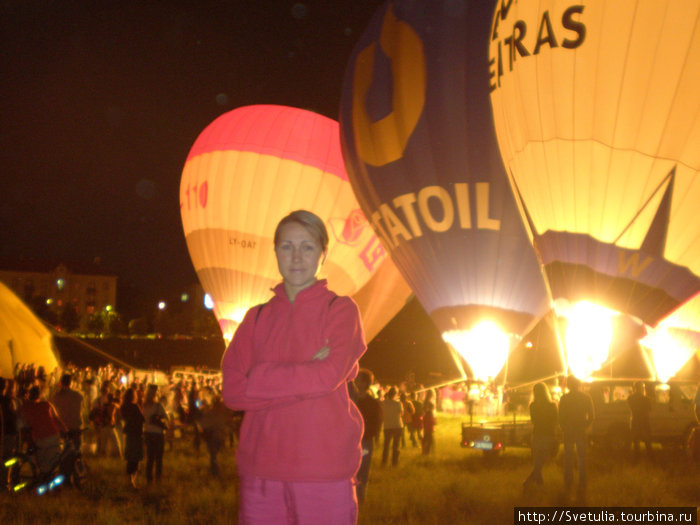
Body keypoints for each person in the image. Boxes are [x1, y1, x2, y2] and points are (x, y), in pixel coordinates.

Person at [222, 210, 366, 524]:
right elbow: (232, 392)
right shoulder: (255, 317)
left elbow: (328, 375)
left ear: (323, 253)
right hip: (259, 474)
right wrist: (308, 376)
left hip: (324, 473)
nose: (296, 256)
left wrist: (258, 378)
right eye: (287, 246)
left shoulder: (341, 310)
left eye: (307, 246)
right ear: (274, 252)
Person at [558, 376, 594, 499]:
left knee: (568, 456)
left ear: (568, 385)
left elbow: (560, 416)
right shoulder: (586, 398)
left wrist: (564, 427)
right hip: (580, 430)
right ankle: (582, 480)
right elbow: (592, 416)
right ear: (578, 385)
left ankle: (568, 481)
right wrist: (585, 425)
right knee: (581, 457)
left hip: (568, 430)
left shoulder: (564, 398)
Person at [19, 385, 67, 474]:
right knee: (53, 462)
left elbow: (24, 424)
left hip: (38, 437)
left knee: (43, 462)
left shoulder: (25, 408)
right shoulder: (47, 405)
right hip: (52, 435)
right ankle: (50, 482)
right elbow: (56, 418)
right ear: (39, 395)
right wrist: (65, 430)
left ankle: (44, 479)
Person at [353, 368, 382, 503]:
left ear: (365, 383)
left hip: (364, 442)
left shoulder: (372, 403)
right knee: (352, 469)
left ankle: (360, 498)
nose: (354, 381)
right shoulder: (352, 400)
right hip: (352, 442)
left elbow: (376, 424)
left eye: (358, 379)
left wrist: (364, 434)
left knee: (362, 468)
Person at [524, 383, 558, 488]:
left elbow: (533, 420)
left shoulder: (533, 406)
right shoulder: (552, 405)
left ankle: (532, 481)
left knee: (538, 460)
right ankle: (535, 482)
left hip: (537, 434)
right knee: (542, 460)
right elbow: (555, 420)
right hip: (549, 434)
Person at [51, 372, 85, 452]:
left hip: (63, 425)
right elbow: (82, 409)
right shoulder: (78, 395)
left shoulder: (56, 396)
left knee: (65, 450)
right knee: (77, 449)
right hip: (75, 425)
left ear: (61, 383)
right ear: (71, 383)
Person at [199, 392, 230, 477]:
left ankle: (216, 472)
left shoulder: (211, 413)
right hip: (220, 436)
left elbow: (204, 425)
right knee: (216, 454)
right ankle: (215, 471)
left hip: (213, 436)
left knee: (213, 455)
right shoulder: (224, 412)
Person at [143, 384, 168, 484]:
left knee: (150, 458)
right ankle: (158, 479)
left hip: (148, 433)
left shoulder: (144, 405)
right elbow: (166, 418)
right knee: (158, 459)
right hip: (158, 434)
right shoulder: (158, 406)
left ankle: (149, 479)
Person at [120, 387, 145, 489]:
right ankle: (132, 482)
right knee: (136, 458)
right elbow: (142, 419)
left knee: (130, 457)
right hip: (136, 433)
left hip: (129, 433)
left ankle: (129, 480)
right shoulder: (135, 406)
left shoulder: (124, 407)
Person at [627, 381, 652, 461]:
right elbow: (650, 409)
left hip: (635, 421)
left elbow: (630, 407)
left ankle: (636, 458)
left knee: (636, 441)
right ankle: (650, 458)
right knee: (647, 440)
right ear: (642, 388)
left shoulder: (630, 398)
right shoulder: (646, 399)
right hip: (644, 421)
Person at [381, 386, 404, 467]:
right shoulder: (398, 403)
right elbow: (401, 414)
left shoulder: (383, 403)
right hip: (397, 425)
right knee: (396, 446)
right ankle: (394, 462)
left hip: (387, 426)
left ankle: (384, 462)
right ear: (396, 394)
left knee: (386, 445)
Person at [422, 390, 436, 456]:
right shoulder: (430, 403)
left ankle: (424, 451)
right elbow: (432, 419)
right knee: (429, 438)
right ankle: (427, 451)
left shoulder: (425, 402)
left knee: (426, 437)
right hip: (429, 423)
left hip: (425, 423)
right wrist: (434, 422)